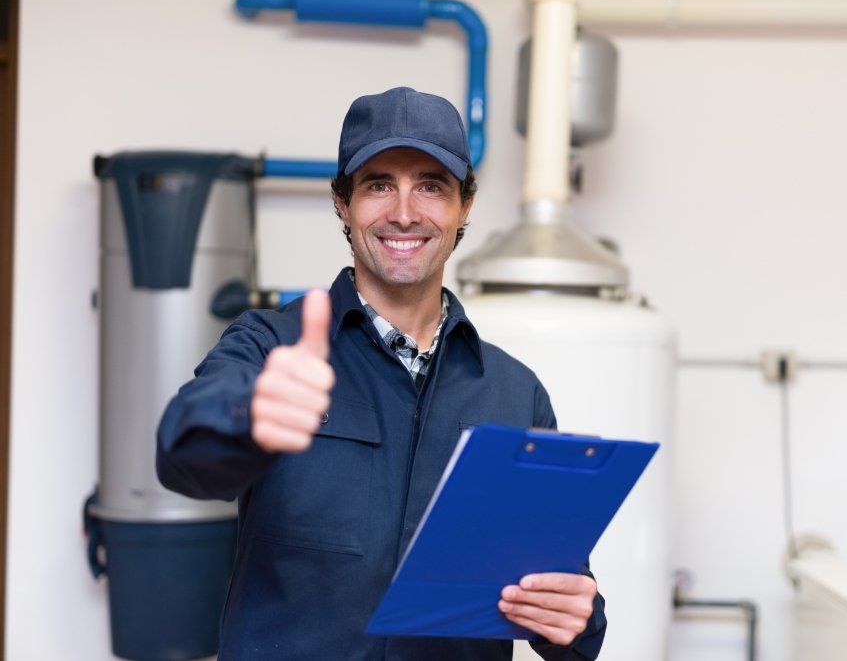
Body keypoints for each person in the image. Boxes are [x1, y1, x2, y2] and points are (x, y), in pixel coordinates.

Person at [157, 86, 607, 660]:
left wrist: (574, 618)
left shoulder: (515, 393)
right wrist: (246, 413)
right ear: (342, 202)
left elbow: (568, 612)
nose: (403, 212)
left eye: (430, 185)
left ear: (464, 206)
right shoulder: (271, 348)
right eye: (377, 185)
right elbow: (182, 456)